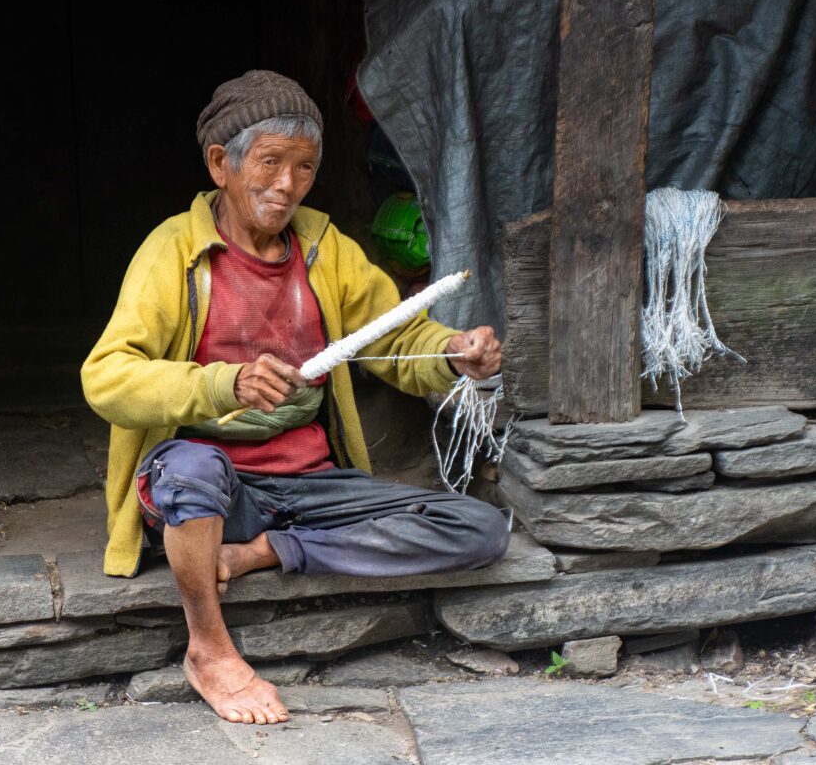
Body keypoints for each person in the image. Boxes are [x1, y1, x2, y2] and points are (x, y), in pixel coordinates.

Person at [81, 70, 509, 727]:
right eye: (271, 162)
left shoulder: (323, 248)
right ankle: (209, 648)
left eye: (305, 167)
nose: (288, 185)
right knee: (189, 468)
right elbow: (106, 376)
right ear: (221, 164)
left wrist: (453, 352)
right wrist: (223, 384)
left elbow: (395, 341)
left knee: (478, 529)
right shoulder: (173, 252)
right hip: (218, 489)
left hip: (311, 486)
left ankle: (266, 553)